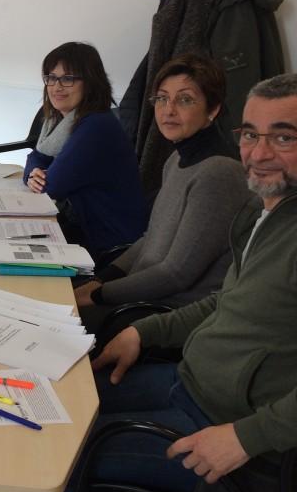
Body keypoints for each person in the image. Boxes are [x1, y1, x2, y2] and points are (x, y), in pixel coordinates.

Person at [48, 73, 297, 492]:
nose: (258, 153)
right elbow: (226, 301)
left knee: (57, 461)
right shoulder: (267, 211)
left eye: (283, 137)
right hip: (191, 383)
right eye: (251, 135)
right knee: (57, 403)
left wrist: (243, 438)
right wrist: (143, 331)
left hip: (228, 426)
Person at [73, 53, 250, 336]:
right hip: (140, 294)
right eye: (162, 99)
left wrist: (98, 294)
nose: (168, 110)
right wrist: (101, 280)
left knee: (58, 325)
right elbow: (150, 238)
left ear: (213, 109)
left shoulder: (219, 172)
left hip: (165, 313)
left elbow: (175, 274)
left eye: (185, 100)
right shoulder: (176, 160)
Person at [23, 42, 147, 266]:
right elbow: (36, 159)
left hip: (109, 244)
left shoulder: (96, 126)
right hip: (83, 227)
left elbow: (52, 186)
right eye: (51, 77)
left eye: (68, 78)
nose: (57, 86)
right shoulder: (58, 120)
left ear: (90, 83)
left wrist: (37, 174)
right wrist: (34, 173)